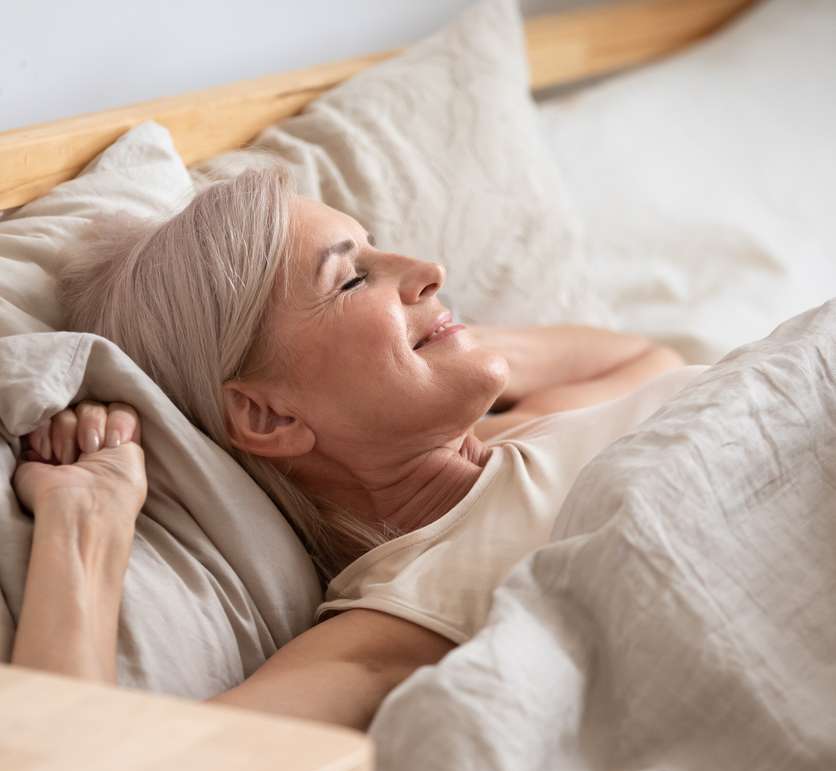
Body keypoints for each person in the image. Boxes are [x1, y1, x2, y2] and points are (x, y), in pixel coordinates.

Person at [10, 167, 700, 732]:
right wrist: (86, 527)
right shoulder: (399, 623)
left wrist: (459, 348)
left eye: (376, 248)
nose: (429, 270)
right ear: (269, 415)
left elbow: (648, 354)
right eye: (352, 278)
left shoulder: (527, 432)